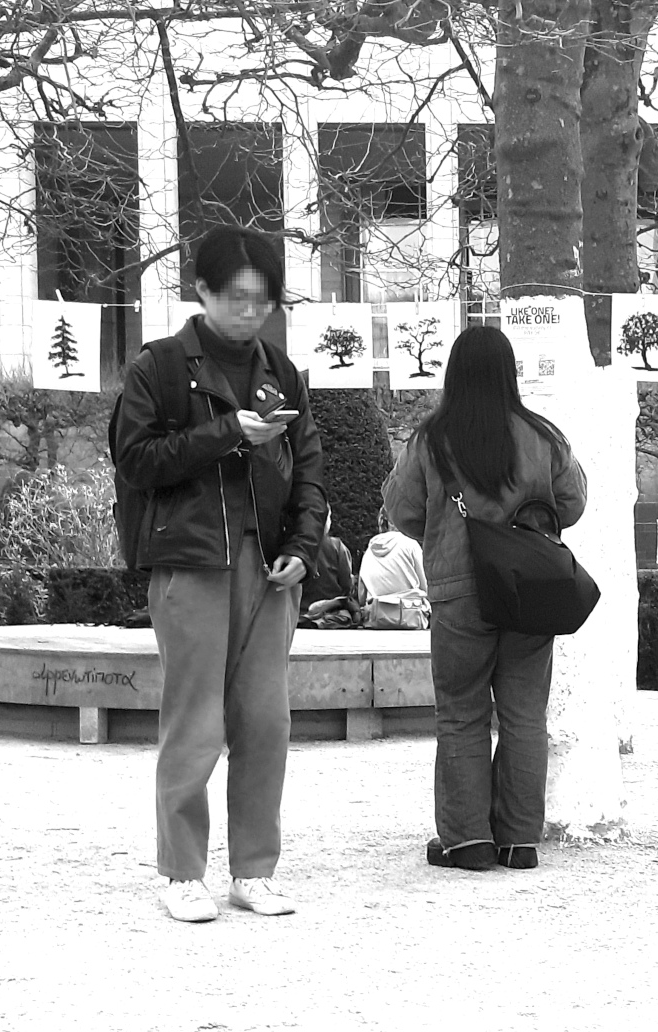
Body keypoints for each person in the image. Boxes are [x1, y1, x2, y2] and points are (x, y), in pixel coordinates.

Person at [110, 225, 324, 923]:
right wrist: (229, 432)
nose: (251, 312)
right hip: (191, 562)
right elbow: (136, 460)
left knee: (265, 722)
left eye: (264, 300)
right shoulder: (162, 366)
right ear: (201, 290)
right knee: (195, 721)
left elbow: (310, 471)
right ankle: (181, 873)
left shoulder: (281, 371)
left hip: (269, 567)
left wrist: (304, 545)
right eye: (237, 298)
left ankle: (254, 871)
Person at [382, 326, 586, 874]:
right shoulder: (543, 437)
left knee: (461, 713)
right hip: (528, 593)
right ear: (508, 373)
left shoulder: (430, 440)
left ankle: (467, 840)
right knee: (525, 715)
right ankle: (519, 842)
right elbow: (572, 503)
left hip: (458, 593)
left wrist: (445, 527)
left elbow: (402, 510)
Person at [356, 518, 430, 630]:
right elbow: (426, 588)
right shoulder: (411, 545)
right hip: (411, 617)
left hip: (376, 619)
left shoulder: (369, 550)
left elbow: (361, 597)